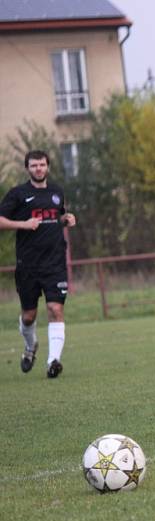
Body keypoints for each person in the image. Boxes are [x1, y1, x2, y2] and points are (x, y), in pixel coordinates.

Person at [0, 150, 77, 378]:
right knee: (29, 316)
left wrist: (66, 219)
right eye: (34, 166)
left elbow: (56, 218)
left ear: (48, 166)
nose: (38, 169)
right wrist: (23, 225)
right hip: (28, 265)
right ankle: (30, 346)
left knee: (55, 309)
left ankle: (53, 361)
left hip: (54, 262)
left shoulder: (57, 192)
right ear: (28, 168)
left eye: (42, 165)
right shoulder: (18, 194)